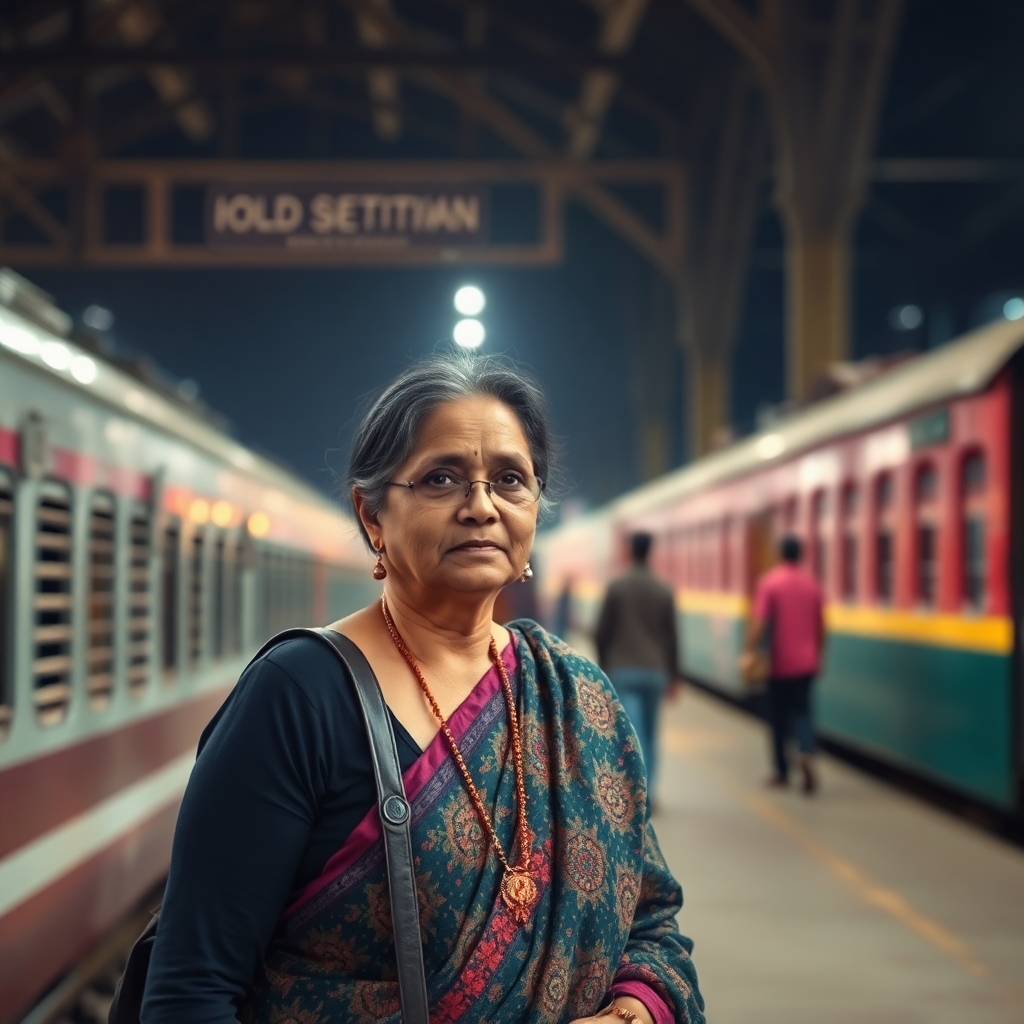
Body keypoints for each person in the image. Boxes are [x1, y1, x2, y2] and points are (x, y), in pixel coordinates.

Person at [141, 354, 704, 1024]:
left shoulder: (581, 700)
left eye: (510, 480)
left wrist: (636, 1012)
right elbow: (191, 990)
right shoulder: (297, 697)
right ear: (371, 516)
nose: (481, 506)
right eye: (442, 479)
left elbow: (653, 923)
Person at [595, 532, 680, 800]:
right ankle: (650, 791)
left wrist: (603, 665)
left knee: (632, 733)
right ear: (650, 552)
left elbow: (601, 632)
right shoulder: (663, 588)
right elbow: (672, 637)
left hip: (623, 670)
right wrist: (674, 675)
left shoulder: (617, 587)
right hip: (655, 671)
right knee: (651, 734)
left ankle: (635, 792)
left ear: (631, 551)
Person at [746, 534, 826, 794]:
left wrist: (750, 650)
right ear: (800, 555)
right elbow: (821, 626)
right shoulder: (812, 584)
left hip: (778, 663)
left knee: (778, 718)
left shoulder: (770, 583)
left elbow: (760, 623)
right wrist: (819, 655)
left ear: (780, 554)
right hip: (806, 662)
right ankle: (805, 751)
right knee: (803, 711)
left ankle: (782, 772)